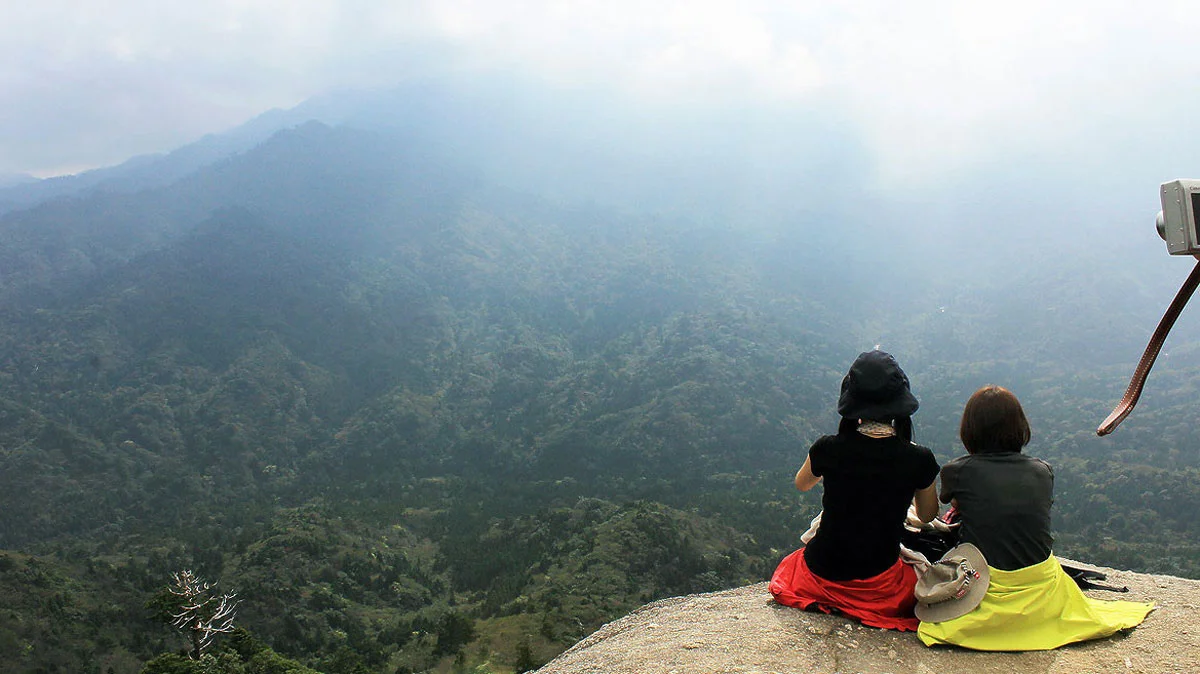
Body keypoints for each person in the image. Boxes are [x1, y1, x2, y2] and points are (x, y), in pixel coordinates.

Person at [916, 385, 1154, 650]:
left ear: (970, 430)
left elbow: (954, 505)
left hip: (987, 581)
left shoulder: (957, 471)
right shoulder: (1042, 471)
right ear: (1020, 428)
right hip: (1041, 582)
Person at [769, 350, 940, 631]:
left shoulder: (828, 447)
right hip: (878, 586)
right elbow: (927, 514)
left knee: (794, 561)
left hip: (818, 576)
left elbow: (802, 483)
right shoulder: (919, 458)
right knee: (920, 579)